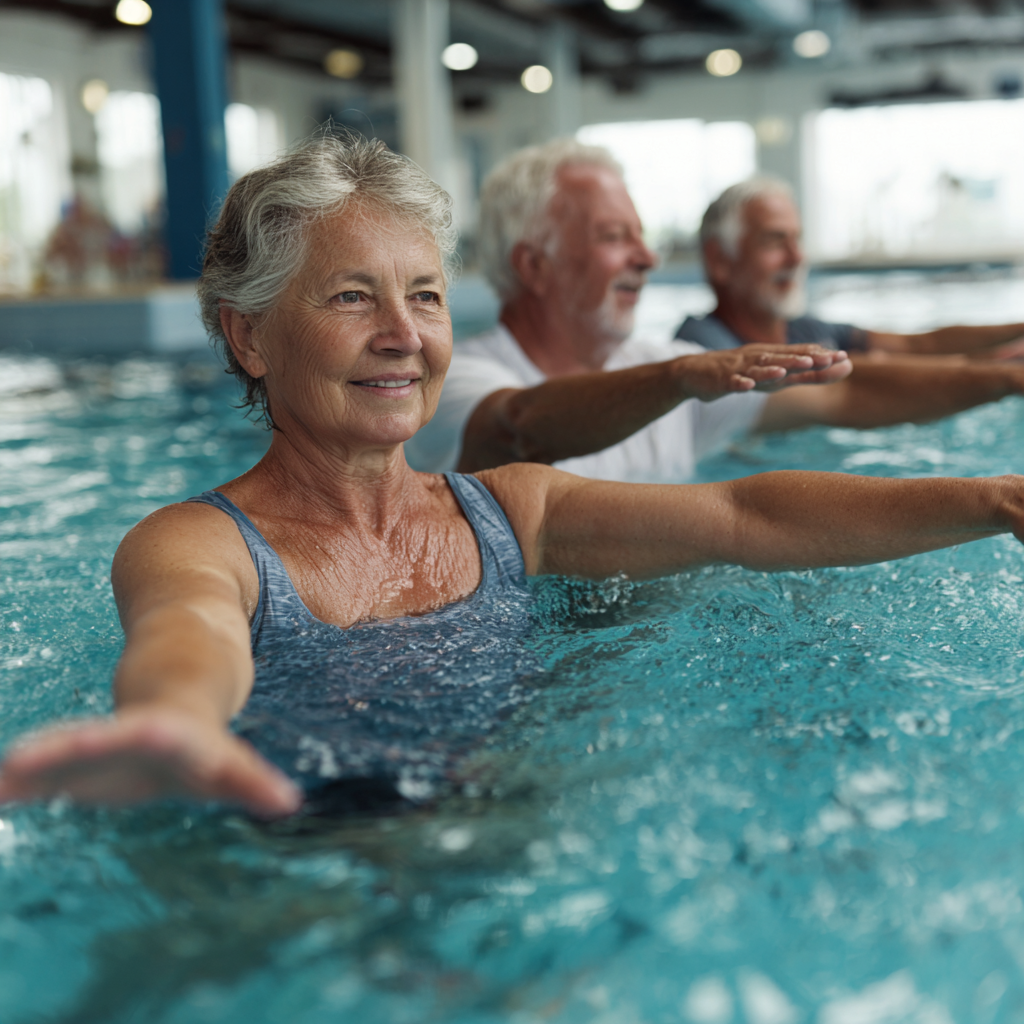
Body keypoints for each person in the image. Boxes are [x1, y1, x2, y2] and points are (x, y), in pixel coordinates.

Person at [3, 133, 1024, 818]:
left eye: (427, 298)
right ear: (250, 335)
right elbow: (193, 636)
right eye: (353, 297)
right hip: (283, 866)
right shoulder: (199, 542)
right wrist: (172, 726)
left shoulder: (510, 509)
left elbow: (744, 513)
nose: (403, 335)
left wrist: (993, 498)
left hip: (497, 844)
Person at [405, 140, 1024, 479]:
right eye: (616, 236)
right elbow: (521, 427)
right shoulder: (452, 378)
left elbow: (844, 396)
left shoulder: (671, 365)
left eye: (642, 235)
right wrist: (676, 381)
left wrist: (1002, 379)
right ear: (534, 266)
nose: (647, 257)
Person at [677, 176, 1024, 357]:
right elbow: (826, 393)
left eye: (797, 239)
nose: (797, 257)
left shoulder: (806, 332)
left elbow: (919, 346)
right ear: (720, 260)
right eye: (774, 241)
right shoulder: (699, 348)